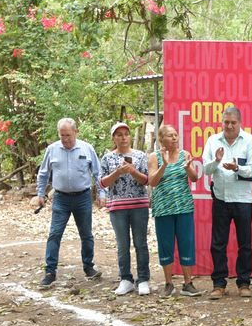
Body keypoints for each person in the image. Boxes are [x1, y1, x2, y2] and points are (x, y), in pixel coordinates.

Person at [37, 118, 105, 288]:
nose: (65, 139)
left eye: (68, 135)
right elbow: (43, 173)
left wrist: (102, 193)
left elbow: (97, 173)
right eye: (62, 135)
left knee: (86, 234)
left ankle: (89, 267)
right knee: (54, 233)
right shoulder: (52, 149)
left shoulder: (86, 148)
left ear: (76, 132)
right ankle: (50, 271)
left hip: (83, 197)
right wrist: (40, 193)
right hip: (60, 198)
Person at [202, 106, 252, 300]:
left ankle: (244, 283)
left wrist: (237, 168)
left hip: (243, 200)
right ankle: (219, 284)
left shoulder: (250, 141)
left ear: (240, 123)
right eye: (226, 122)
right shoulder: (212, 140)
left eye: (233, 122)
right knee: (218, 243)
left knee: (245, 243)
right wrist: (216, 161)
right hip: (220, 198)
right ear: (222, 122)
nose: (229, 126)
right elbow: (206, 169)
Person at [148, 124, 202, 297]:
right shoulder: (154, 157)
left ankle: (188, 283)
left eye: (175, 135)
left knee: (186, 243)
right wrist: (163, 165)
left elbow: (194, 178)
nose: (174, 138)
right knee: (166, 245)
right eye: (170, 135)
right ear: (161, 139)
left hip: (184, 207)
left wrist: (188, 168)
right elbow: (152, 182)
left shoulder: (184, 155)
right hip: (163, 209)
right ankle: (169, 283)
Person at [100, 122, 151, 296]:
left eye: (126, 134)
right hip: (117, 207)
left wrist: (132, 171)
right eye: (119, 134)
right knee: (122, 244)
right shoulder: (108, 158)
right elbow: (102, 183)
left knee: (141, 243)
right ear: (113, 138)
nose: (123, 137)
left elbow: (146, 180)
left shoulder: (141, 156)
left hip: (139, 205)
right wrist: (118, 172)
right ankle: (126, 279)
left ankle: (143, 279)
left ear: (130, 137)